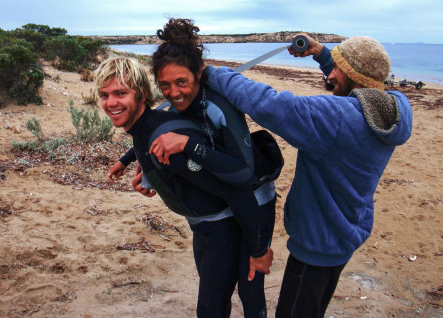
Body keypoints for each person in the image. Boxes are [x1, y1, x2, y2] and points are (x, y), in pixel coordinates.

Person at [203, 34, 413, 317]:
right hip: (345, 234)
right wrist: (323, 55)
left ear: (353, 75)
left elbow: (270, 105)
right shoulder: (393, 110)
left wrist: (214, 75)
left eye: (338, 68)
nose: (331, 74)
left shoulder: (336, 118)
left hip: (317, 243)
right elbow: (354, 87)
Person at [109, 19, 279, 318]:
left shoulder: (218, 106)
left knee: (250, 285)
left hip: (254, 197)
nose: (174, 93)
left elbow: (241, 175)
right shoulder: (178, 104)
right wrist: (129, 160)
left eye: (181, 82)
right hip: (230, 203)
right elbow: (150, 130)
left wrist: (188, 146)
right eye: (164, 85)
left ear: (198, 74)